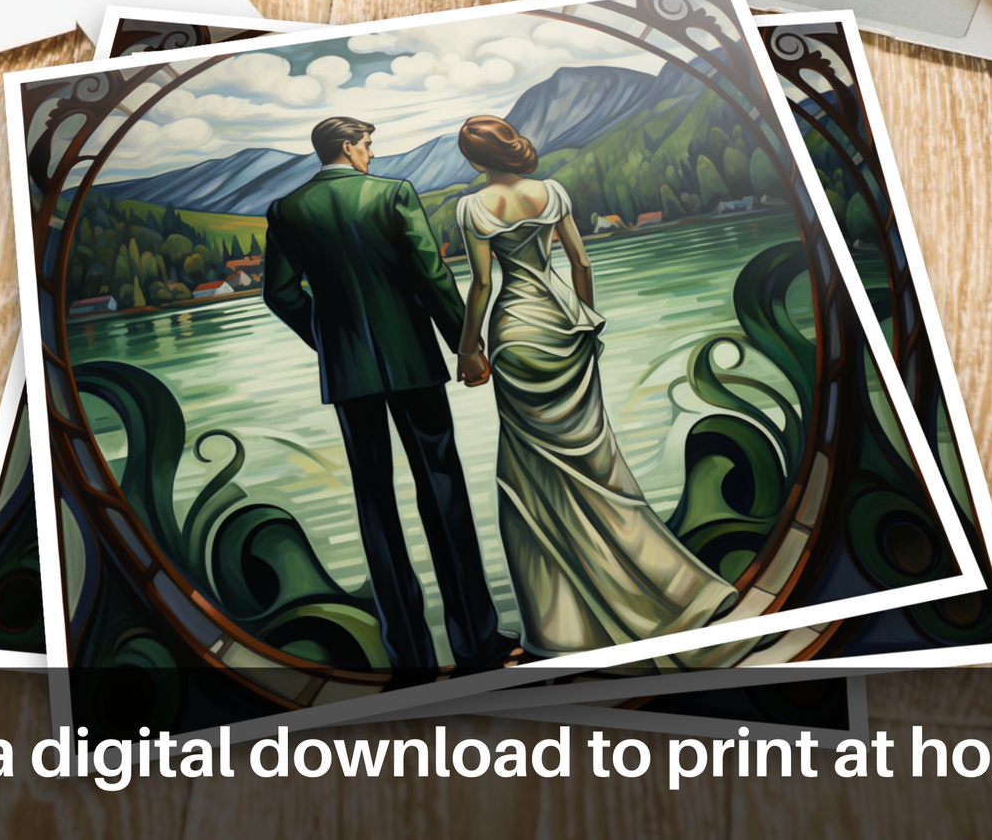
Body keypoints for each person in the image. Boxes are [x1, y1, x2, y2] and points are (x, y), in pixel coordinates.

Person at [452, 115, 736, 659]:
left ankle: (566, 627)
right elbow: (581, 262)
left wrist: (470, 349)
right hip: (566, 328)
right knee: (600, 465)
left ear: (476, 161)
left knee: (530, 475)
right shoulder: (553, 192)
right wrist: (587, 318)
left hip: (515, 335)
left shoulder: (472, 208)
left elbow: (483, 284)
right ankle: (673, 590)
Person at [261, 116, 518, 678]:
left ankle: (408, 657)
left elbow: (279, 294)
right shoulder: (393, 194)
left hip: (348, 375)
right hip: (413, 365)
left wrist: (329, 340)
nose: (372, 154)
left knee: (374, 503)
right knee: (443, 492)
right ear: (347, 147)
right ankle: (476, 644)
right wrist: (465, 345)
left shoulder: (285, 209)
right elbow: (430, 276)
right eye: (367, 145)